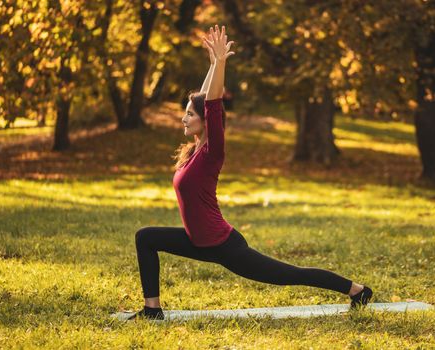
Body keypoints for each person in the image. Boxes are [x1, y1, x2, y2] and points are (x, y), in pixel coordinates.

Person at [129, 25, 373, 321]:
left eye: (190, 114)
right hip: (197, 240)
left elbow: (212, 104)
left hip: (223, 245)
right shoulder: (194, 151)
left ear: (205, 121)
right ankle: (152, 309)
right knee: (146, 238)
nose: (184, 117)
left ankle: (357, 290)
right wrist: (211, 64)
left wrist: (221, 64)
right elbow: (206, 98)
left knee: (289, 274)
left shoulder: (211, 152)